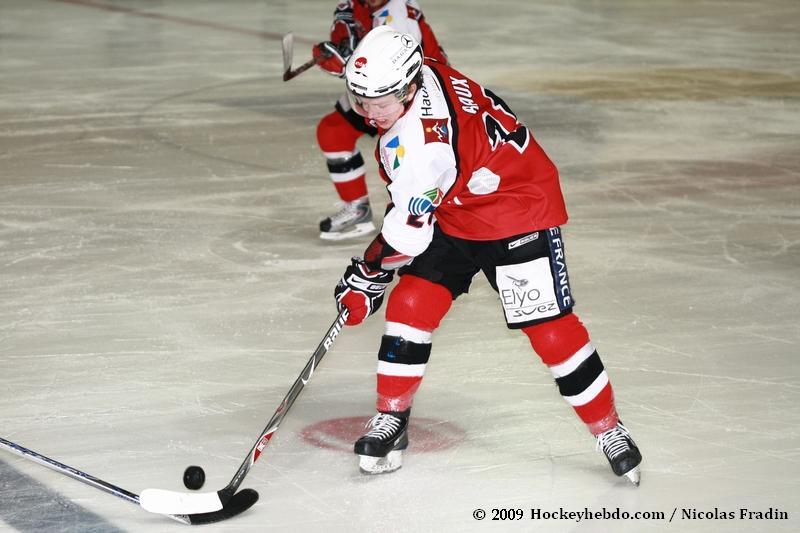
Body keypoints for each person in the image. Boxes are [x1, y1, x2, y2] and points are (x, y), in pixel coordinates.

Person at [332, 26, 643, 485]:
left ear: (410, 86)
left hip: (515, 211)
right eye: (361, 101)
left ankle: (608, 429)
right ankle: (392, 418)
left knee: (548, 329)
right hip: (457, 203)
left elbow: (407, 236)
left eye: (381, 102)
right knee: (411, 304)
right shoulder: (420, 69)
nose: (370, 113)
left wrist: (368, 273)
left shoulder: (422, 150)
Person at [312, 0, 447, 240]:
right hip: (382, 91)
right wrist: (341, 42)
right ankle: (358, 209)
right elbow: (351, 39)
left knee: (412, 159)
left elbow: (396, 72)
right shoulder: (355, 4)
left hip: (417, 93)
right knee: (333, 131)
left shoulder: (397, 16)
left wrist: (345, 66)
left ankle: (431, 219)